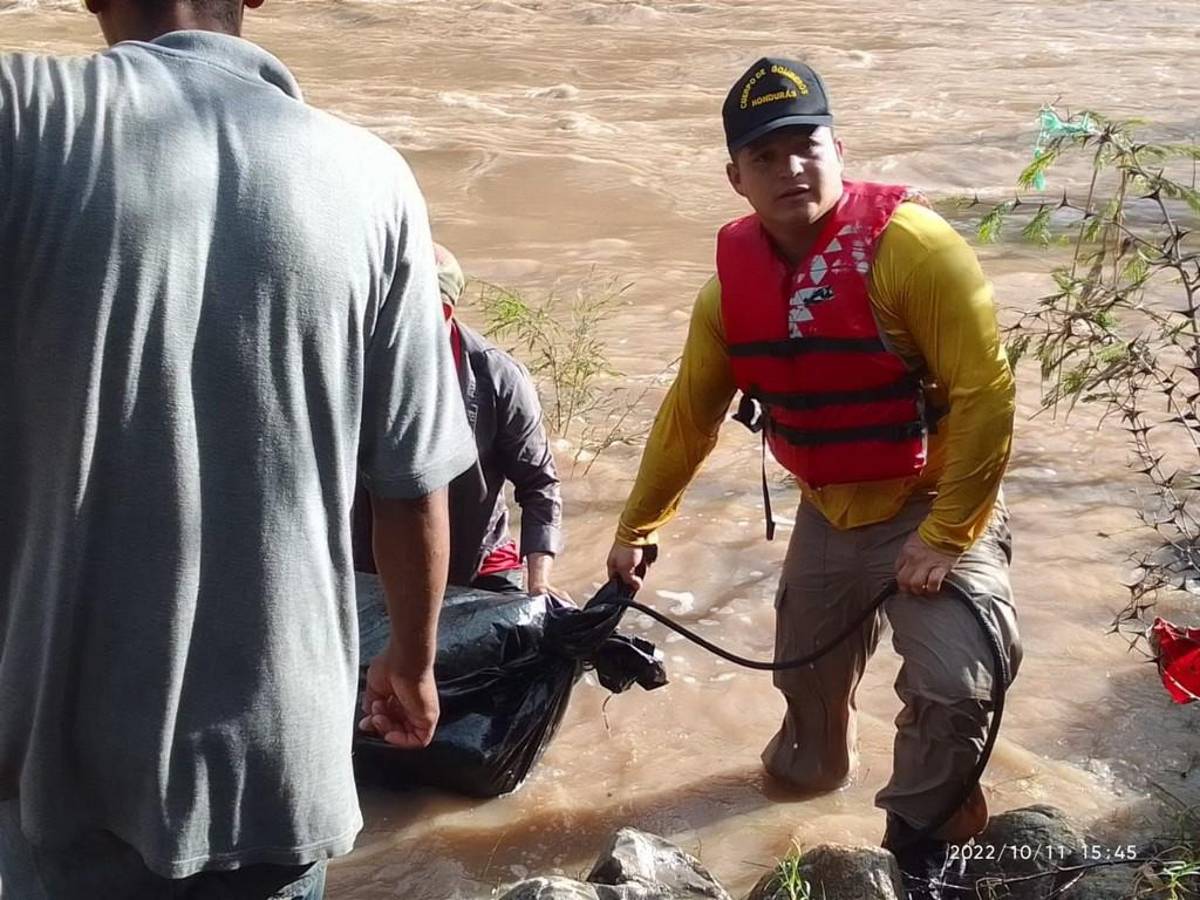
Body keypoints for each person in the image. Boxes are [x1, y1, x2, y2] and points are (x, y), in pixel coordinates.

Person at [0, 1, 476, 898]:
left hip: (60, 761)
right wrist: (411, 663)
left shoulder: (22, 115)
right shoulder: (375, 179)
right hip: (279, 768)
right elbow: (413, 485)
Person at [605, 57, 1021, 897]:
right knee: (804, 710)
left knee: (957, 688)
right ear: (736, 177)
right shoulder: (728, 293)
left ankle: (918, 845)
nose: (790, 168)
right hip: (829, 513)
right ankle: (796, 810)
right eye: (765, 155)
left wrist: (948, 536)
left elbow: (987, 392)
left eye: (806, 146)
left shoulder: (915, 250)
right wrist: (637, 526)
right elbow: (689, 417)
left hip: (934, 505)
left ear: (839, 149)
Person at [353, 244, 564, 596]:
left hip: (479, 563)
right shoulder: (352, 366)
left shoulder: (499, 378)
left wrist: (539, 581)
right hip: (372, 565)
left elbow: (539, 484)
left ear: (442, 312)